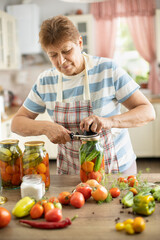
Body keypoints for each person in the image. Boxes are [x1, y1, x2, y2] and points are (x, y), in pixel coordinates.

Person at [11, 15, 155, 175]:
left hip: (116, 168)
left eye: (66, 51)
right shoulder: (46, 81)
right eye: (53, 55)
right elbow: (17, 123)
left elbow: (147, 111)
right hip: (71, 172)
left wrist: (109, 121)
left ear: (79, 43)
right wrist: (46, 127)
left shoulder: (108, 70)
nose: (61, 61)